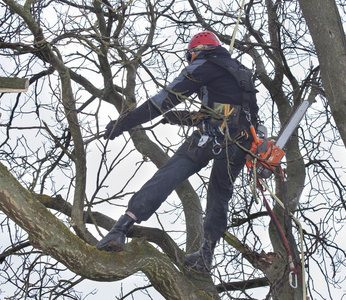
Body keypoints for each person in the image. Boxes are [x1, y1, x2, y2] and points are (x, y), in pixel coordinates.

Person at [95, 31, 259, 273]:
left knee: (167, 176)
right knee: (219, 196)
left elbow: (162, 100)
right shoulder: (241, 71)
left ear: (195, 52)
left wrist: (123, 123)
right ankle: (205, 255)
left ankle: (119, 229)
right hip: (241, 144)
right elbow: (227, 111)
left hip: (210, 138)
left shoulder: (203, 64)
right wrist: (179, 118)